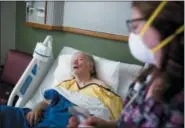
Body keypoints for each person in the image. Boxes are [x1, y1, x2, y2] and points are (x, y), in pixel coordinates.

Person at [68, 1, 184, 128]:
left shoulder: (179, 101)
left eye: (135, 26)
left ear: (162, 25)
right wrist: (106, 125)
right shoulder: (147, 76)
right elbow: (128, 122)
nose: (133, 36)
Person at [0, 52, 123, 128]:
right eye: (72, 60)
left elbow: (113, 121)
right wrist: (37, 108)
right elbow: (47, 102)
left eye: (79, 59)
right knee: (3, 112)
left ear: (91, 66)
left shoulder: (104, 91)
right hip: (39, 117)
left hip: (66, 122)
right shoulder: (65, 85)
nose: (74, 61)